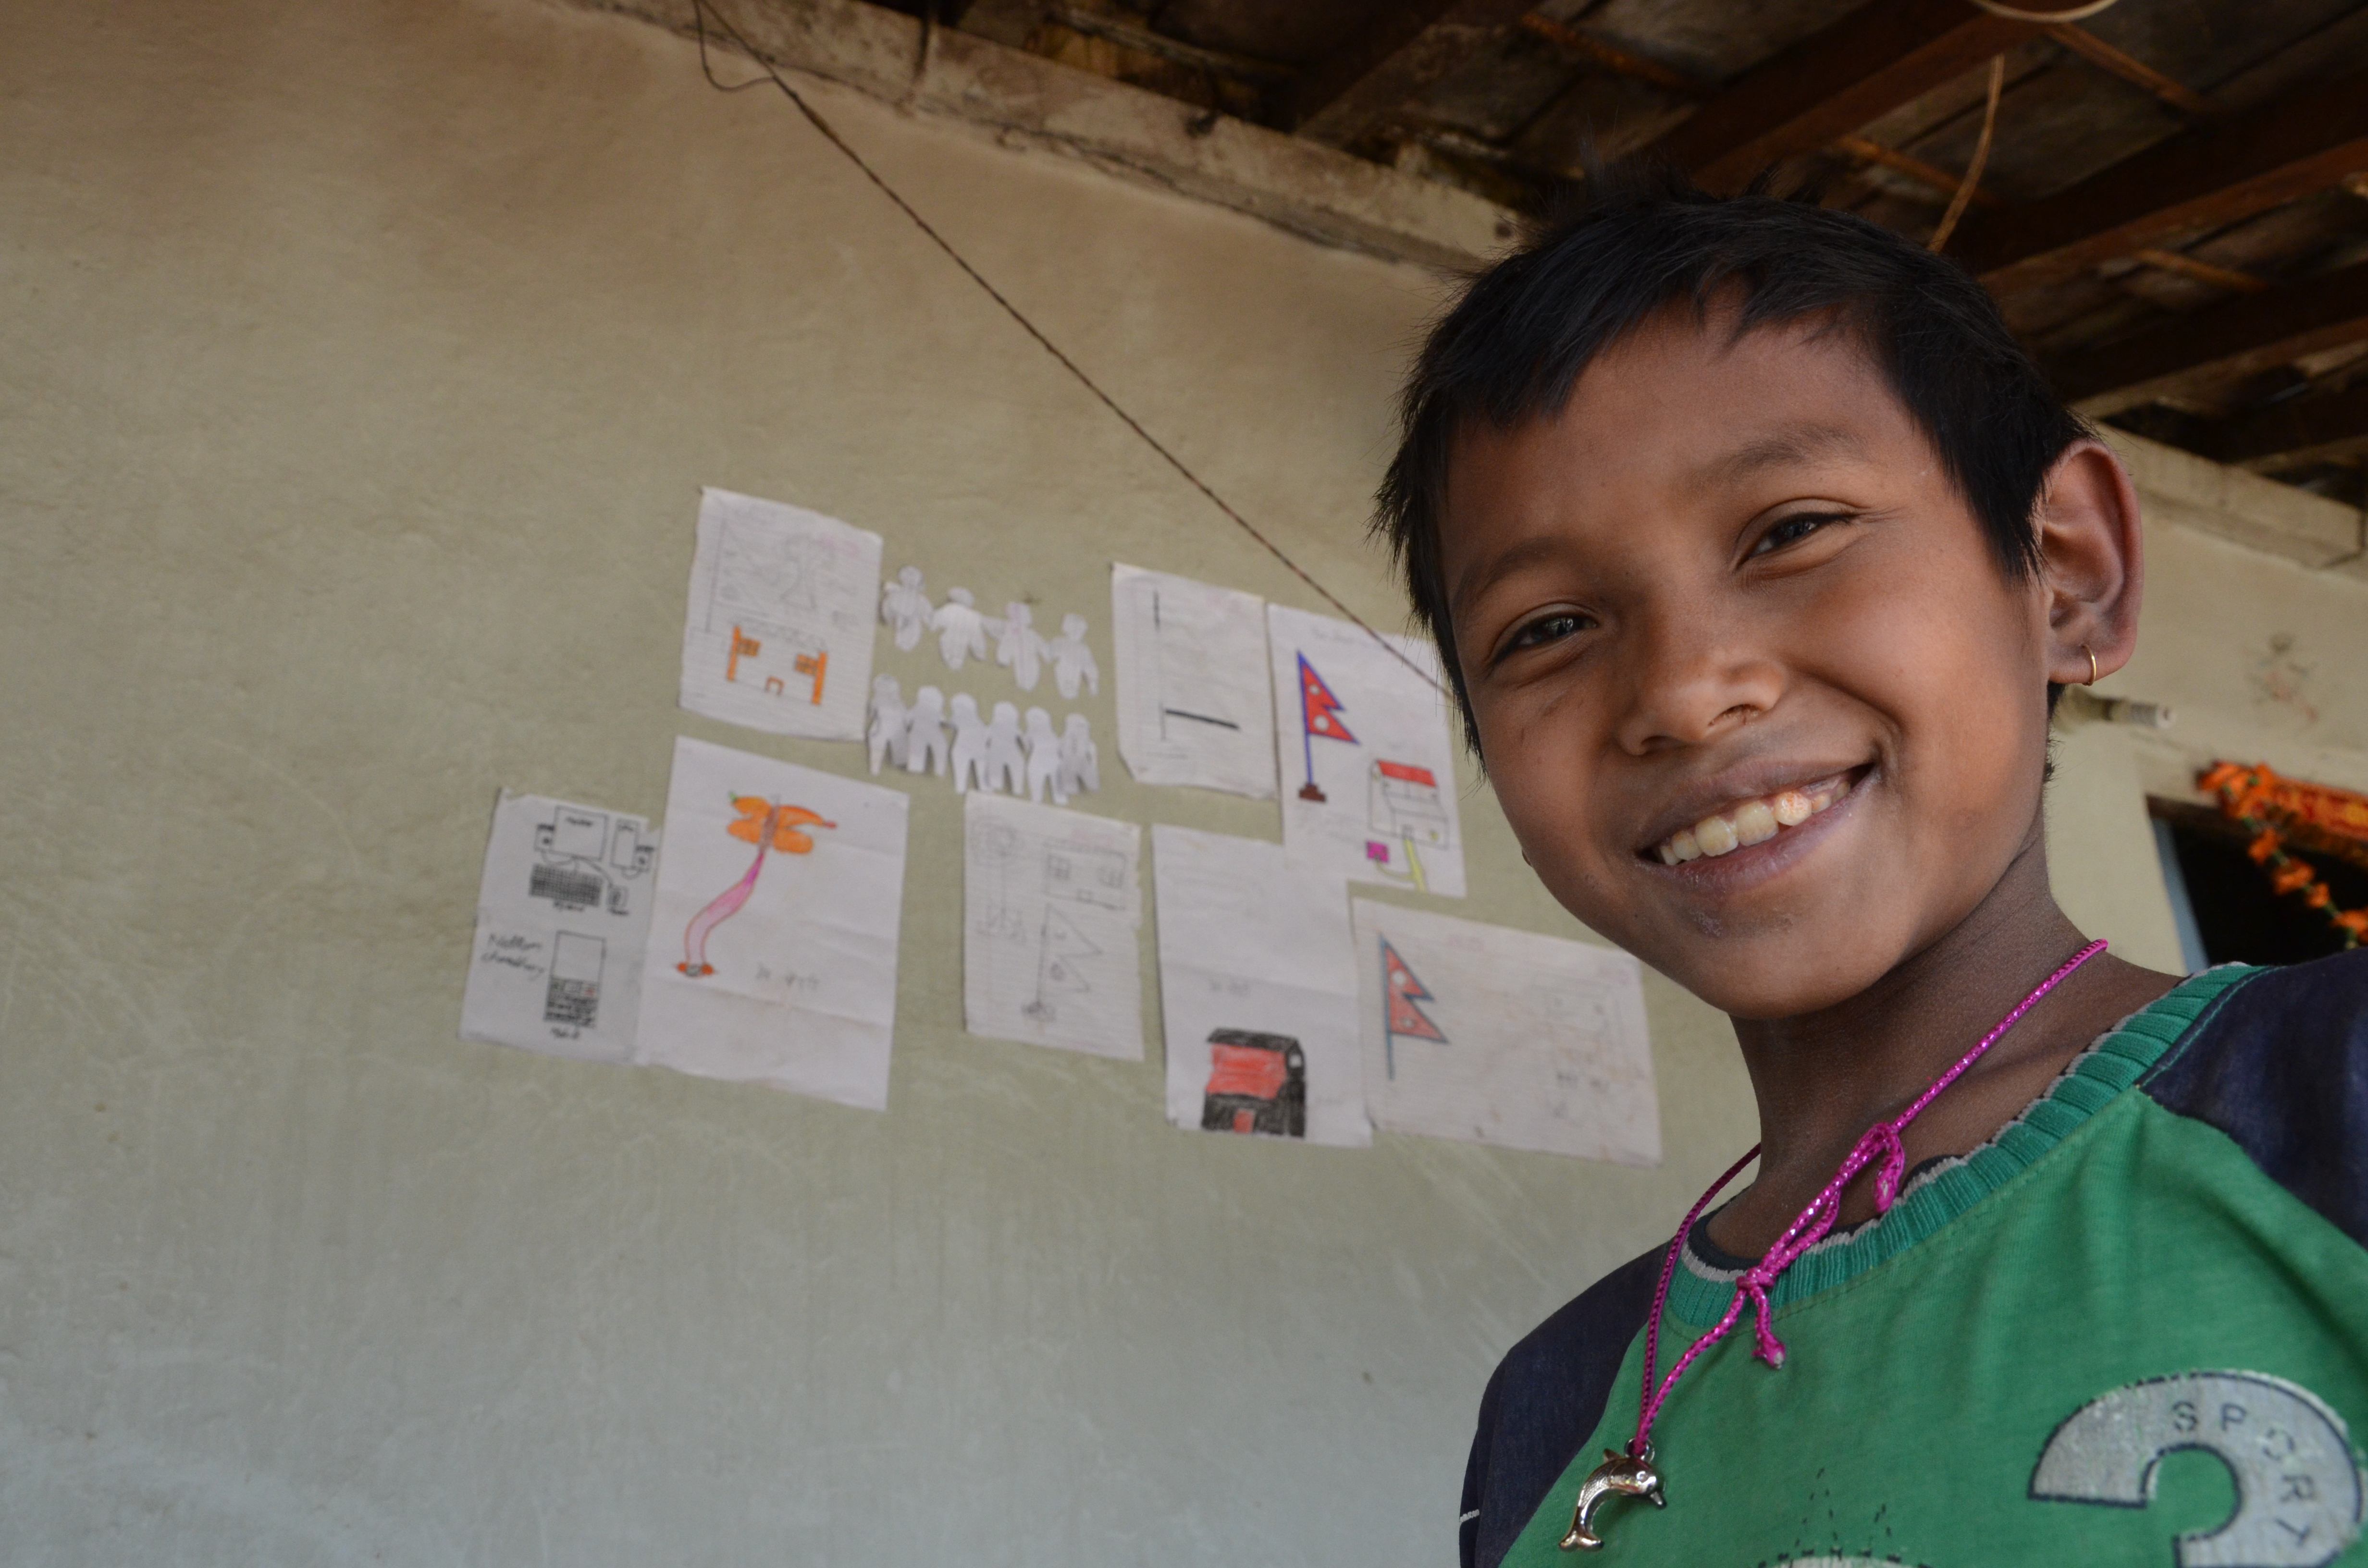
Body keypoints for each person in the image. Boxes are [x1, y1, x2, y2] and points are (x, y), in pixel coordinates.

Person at [1372, 172, 2368, 1568]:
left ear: (2066, 574)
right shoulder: (1555, 1408)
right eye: (1547, 628)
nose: (1684, 687)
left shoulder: (2329, 1098)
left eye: (1791, 531)